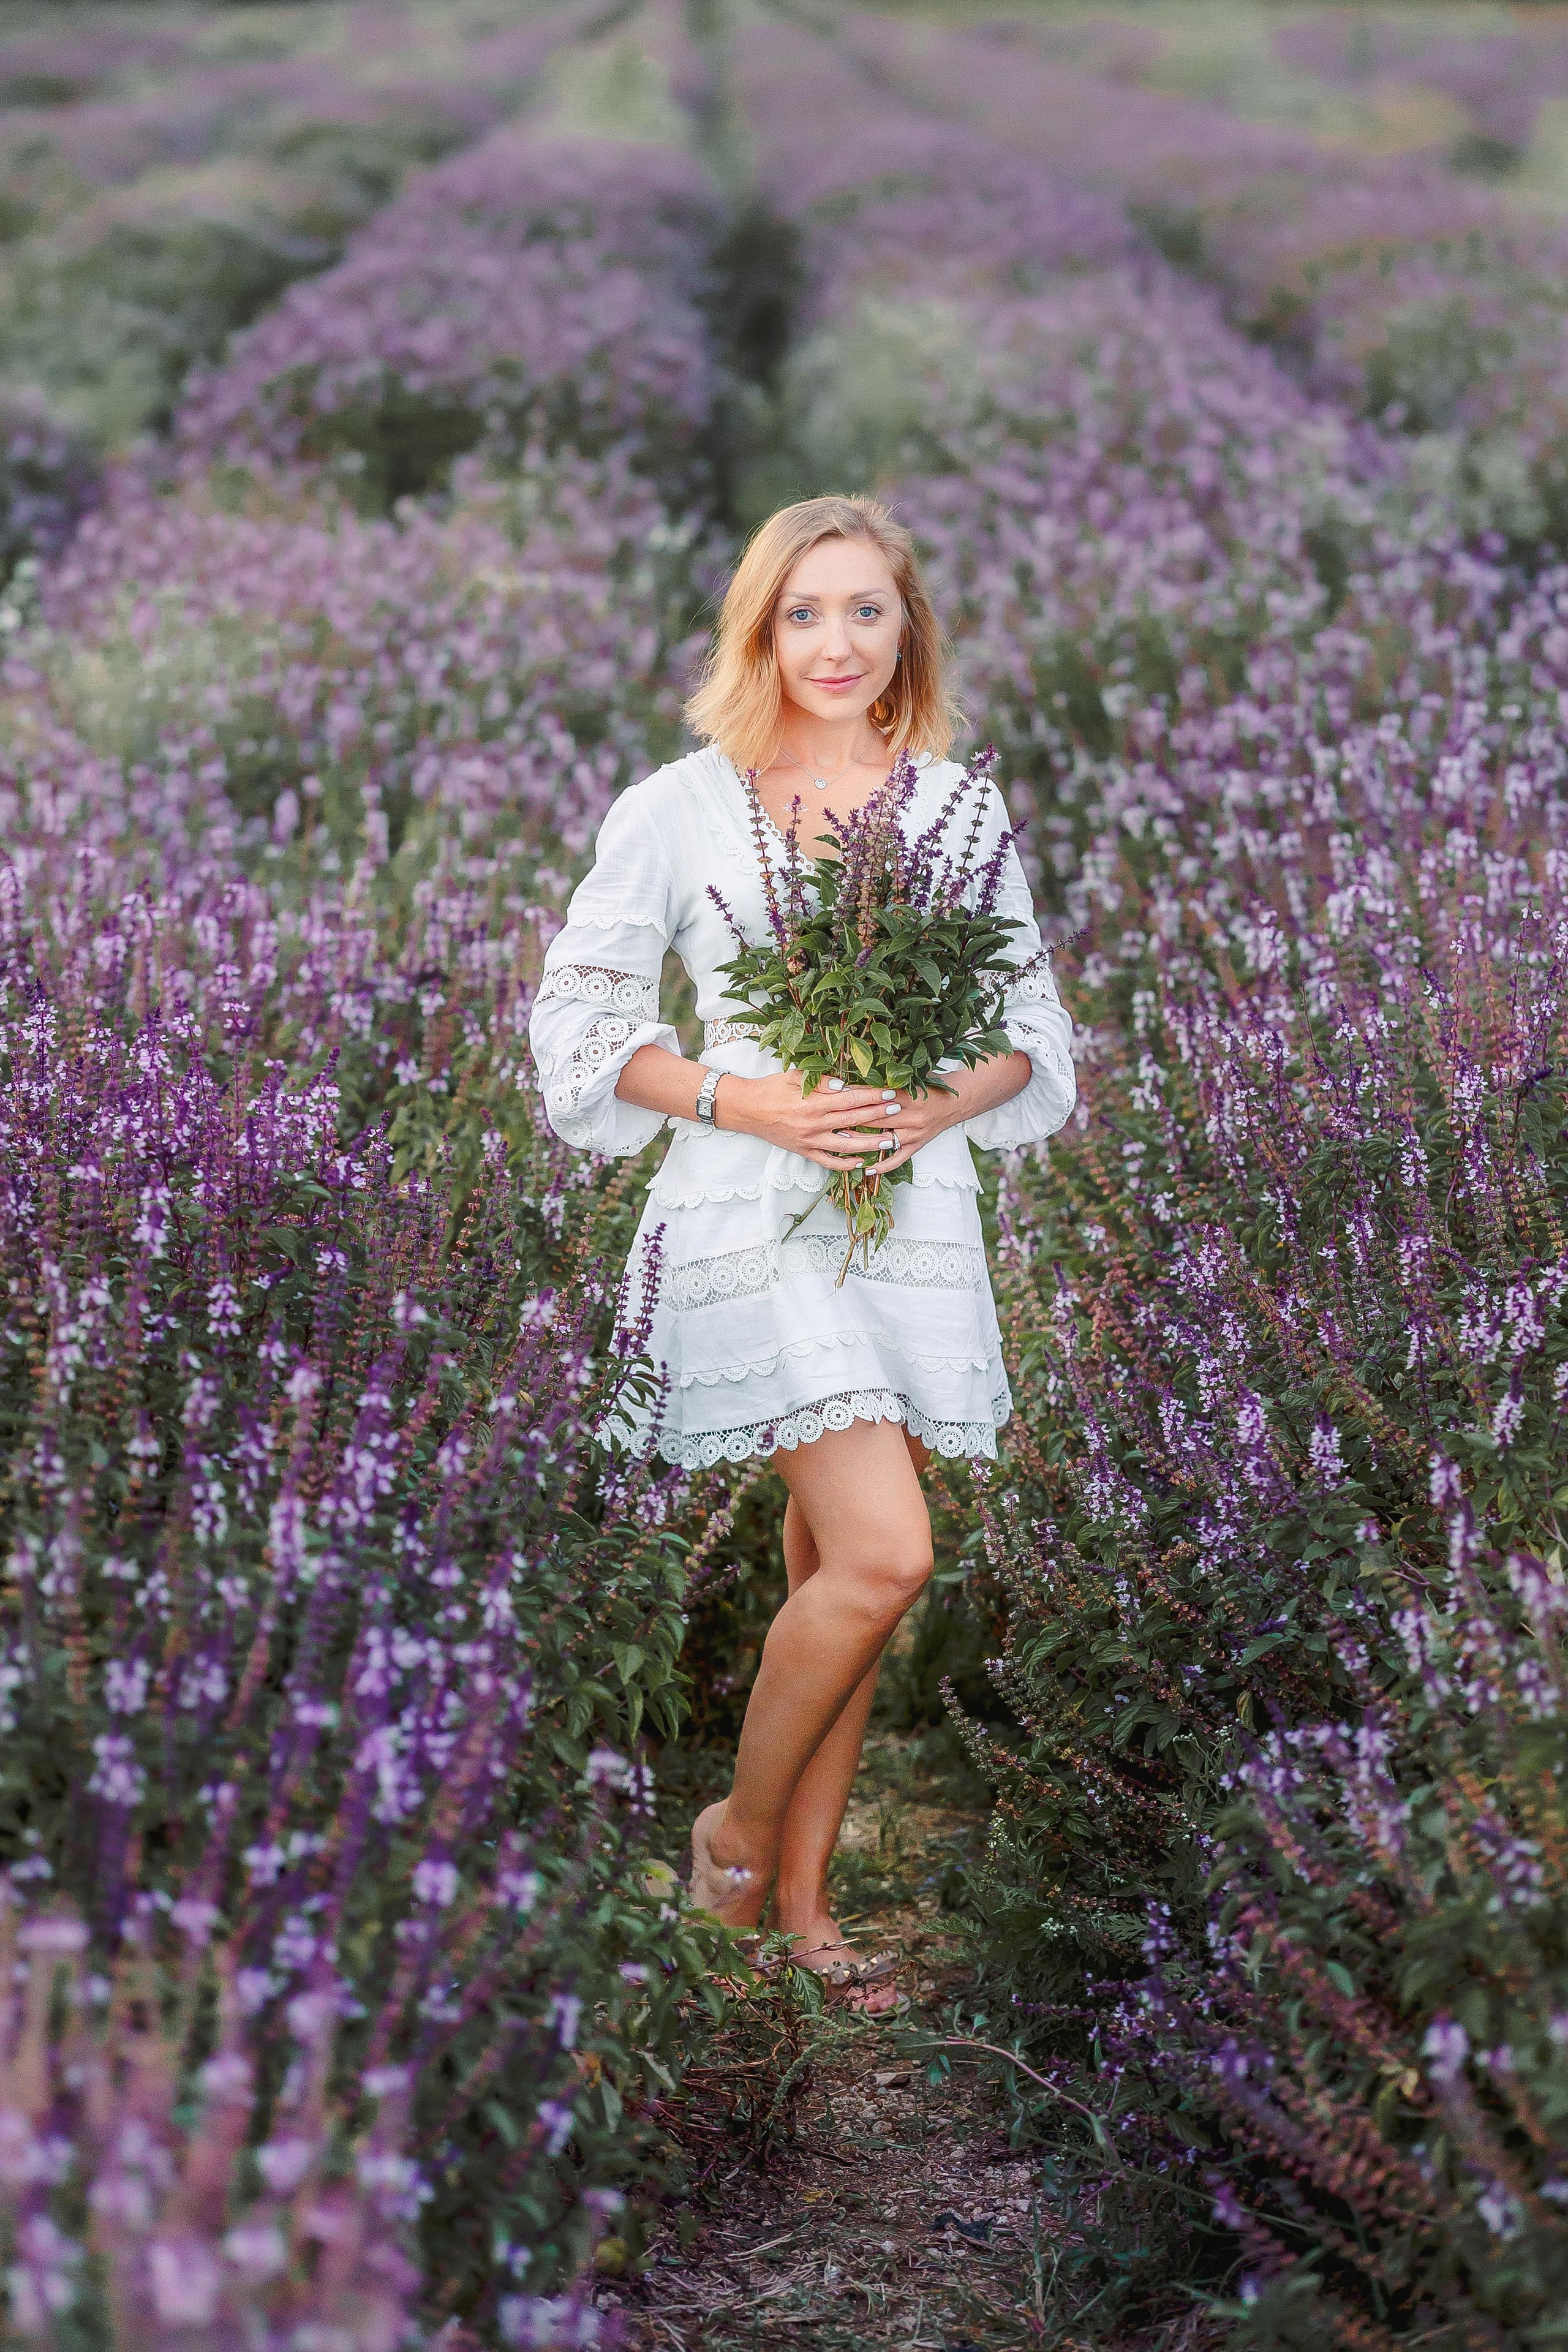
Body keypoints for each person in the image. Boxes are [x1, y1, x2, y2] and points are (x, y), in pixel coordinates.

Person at [529, 494, 1074, 1999]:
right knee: (890, 1551)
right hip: (744, 1211)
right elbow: (578, 1031)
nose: (835, 643)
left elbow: (1026, 1034)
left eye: (865, 611)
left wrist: (924, 1106)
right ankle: (733, 1835)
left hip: (907, 1216)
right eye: (803, 612)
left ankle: (804, 1912)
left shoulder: (959, 808)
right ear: (757, 630)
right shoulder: (677, 806)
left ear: (908, 629)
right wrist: (747, 1098)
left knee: (837, 1563)